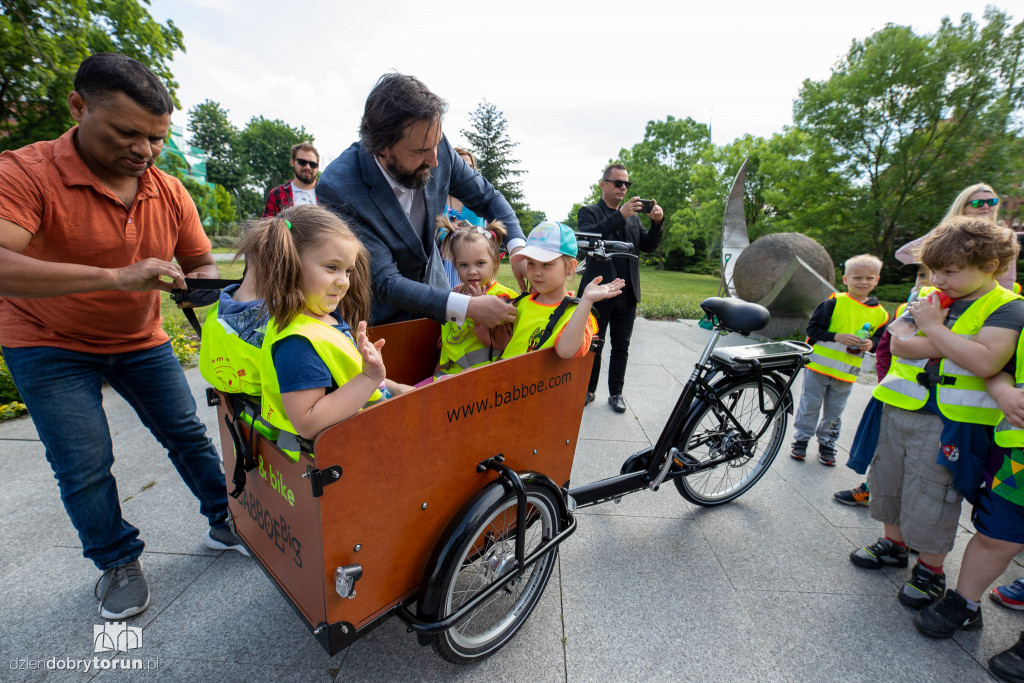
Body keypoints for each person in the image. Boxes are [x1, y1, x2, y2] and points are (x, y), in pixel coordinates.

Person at [0, 53, 247, 621]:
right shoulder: (26, 172)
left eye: (156, 138)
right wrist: (116, 277)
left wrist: (202, 289)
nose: (144, 150)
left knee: (187, 433)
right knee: (84, 460)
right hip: (46, 341)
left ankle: (227, 521)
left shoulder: (168, 189)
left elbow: (201, 262)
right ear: (79, 106)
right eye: (128, 132)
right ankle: (116, 561)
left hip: (140, 338)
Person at [850, 216, 1024, 613]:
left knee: (932, 494)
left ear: (989, 267)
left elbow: (986, 362)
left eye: (950, 271)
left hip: (951, 422)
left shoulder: (1008, 308)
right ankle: (893, 544)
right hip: (900, 405)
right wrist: (953, 341)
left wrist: (932, 330)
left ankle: (930, 570)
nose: (938, 280)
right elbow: (900, 345)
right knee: (887, 478)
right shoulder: (931, 298)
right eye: (933, 271)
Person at [316, 73, 526, 328]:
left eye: (436, 145)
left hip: (439, 306)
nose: (435, 161)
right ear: (381, 148)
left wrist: (518, 249)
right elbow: (384, 280)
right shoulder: (338, 187)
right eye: (420, 151)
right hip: (380, 323)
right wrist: (467, 307)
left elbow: (488, 196)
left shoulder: (434, 145)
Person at [242, 205, 411, 449]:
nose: (343, 281)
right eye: (332, 267)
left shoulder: (325, 319)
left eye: (348, 271)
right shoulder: (298, 343)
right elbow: (308, 422)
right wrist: (369, 377)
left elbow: (347, 375)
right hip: (342, 456)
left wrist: (393, 388)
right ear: (291, 265)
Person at [911, 338, 1024, 640]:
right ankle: (966, 603)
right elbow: (1002, 369)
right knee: (995, 534)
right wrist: (1004, 392)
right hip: (1018, 456)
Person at [835, 263, 931, 505]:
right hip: (896, 390)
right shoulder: (906, 307)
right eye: (922, 275)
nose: (925, 281)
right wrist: (884, 378)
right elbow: (887, 347)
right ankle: (872, 488)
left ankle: (897, 498)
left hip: (933, 398)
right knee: (885, 446)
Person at [577, 163, 664, 413]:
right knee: (594, 342)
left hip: (628, 293)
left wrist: (657, 223)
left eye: (627, 184)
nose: (623, 187)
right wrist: (619, 216)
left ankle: (616, 393)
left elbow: (646, 245)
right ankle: (588, 389)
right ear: (603, 184)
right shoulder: (590, 212)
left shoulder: (634, 216)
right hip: (599, 292)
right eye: (618, 183)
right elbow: (587, 236)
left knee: (621, 346)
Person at [791, 254, 887, 465]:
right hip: (818, 368)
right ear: (846, 279)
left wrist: (871, 344)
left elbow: (881, 338)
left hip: (846, 372)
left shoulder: (880, 314)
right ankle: (801, 440)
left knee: (835, 412)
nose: (863, 282)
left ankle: (827, 444)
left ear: (877, 280)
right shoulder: (833, 303)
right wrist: (836, 336)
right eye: (857, 277)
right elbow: (813, 330)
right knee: (810, 406)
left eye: (869, 278)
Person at [501, 221, 624, 360]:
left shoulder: (578, 314)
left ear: (570, 267)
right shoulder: (522, 302)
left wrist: (586, 300)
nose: (536, 272)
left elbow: (566, 351)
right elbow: (504, 345)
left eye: (546, 264)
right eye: (531, 263)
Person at [434, 216, 518, 379]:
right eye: (464, 265)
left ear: (494, 261)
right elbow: (448, 337)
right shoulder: (456, 294)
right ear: (455, 265)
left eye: (480, 263)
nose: (472, 271)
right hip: (448, 371)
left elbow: (504, 343)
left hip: (482, 375)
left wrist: (479, 318)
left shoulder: (503, 297)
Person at [896, 183, 1019, 291]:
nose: (986, 207)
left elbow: (1007, 279)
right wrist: (937, 269)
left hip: (983, 300)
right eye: (978, 203)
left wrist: (1001, 305)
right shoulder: (947, 232)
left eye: (992, 202)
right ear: (962, 207)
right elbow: (903, 253)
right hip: (941, 296)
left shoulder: (1005, 236)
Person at [262, 142, 320, 218]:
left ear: (318, 166)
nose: (308, 167)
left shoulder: (327, 194)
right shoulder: (276, 195)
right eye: (302, 162)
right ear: (292, 162)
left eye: (312, 164)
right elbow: (266, 227)